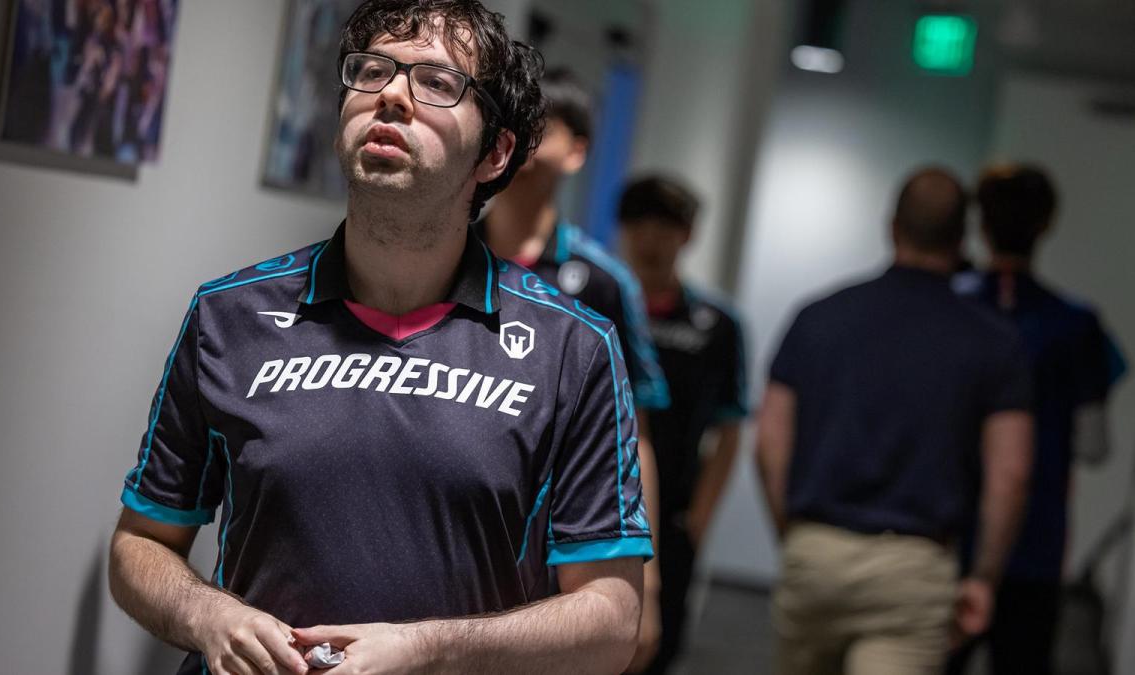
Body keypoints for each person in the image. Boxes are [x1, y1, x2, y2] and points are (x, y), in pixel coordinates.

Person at [108, 2, 652, 674]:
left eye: (437, 83)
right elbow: (140, 542)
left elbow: (613, 618)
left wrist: (432, 649)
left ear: (496, 152)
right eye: (371, 72)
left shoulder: (572, 347)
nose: (391, 95)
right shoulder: (229, 313)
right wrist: (207, 613)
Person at [756, 167, 1035, 675]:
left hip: (817, 550)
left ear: (892, 227)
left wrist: (793, 532)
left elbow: (770, 439)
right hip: (914, 567)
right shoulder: (994, 341)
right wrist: (984, 578)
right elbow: (1011, 474)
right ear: (961, 237)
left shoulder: (818, 316)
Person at [475, 69, 670, 670]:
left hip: (563, 541)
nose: (524, 141)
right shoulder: (447, 253)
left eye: (545, 127)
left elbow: (632, 436)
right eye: (513, 125)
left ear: (577, 150)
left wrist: (649, 578)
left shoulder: (605, 282)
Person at [947, 164, 1129, 675]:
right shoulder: (1074, 324)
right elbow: (1095, 446)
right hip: (1034, 543)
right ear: (1047, 224)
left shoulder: (950, 305)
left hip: (946, 533)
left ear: (981, 224)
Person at [616, 176, 748, 674]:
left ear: (687, 234)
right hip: (586, 505)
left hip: (671, 517)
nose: (652, 237)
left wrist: (698, 521)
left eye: (666, 225)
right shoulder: (590, 306)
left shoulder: (716, 325)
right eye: (640, 224)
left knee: (657, 648)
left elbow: (730, 428)